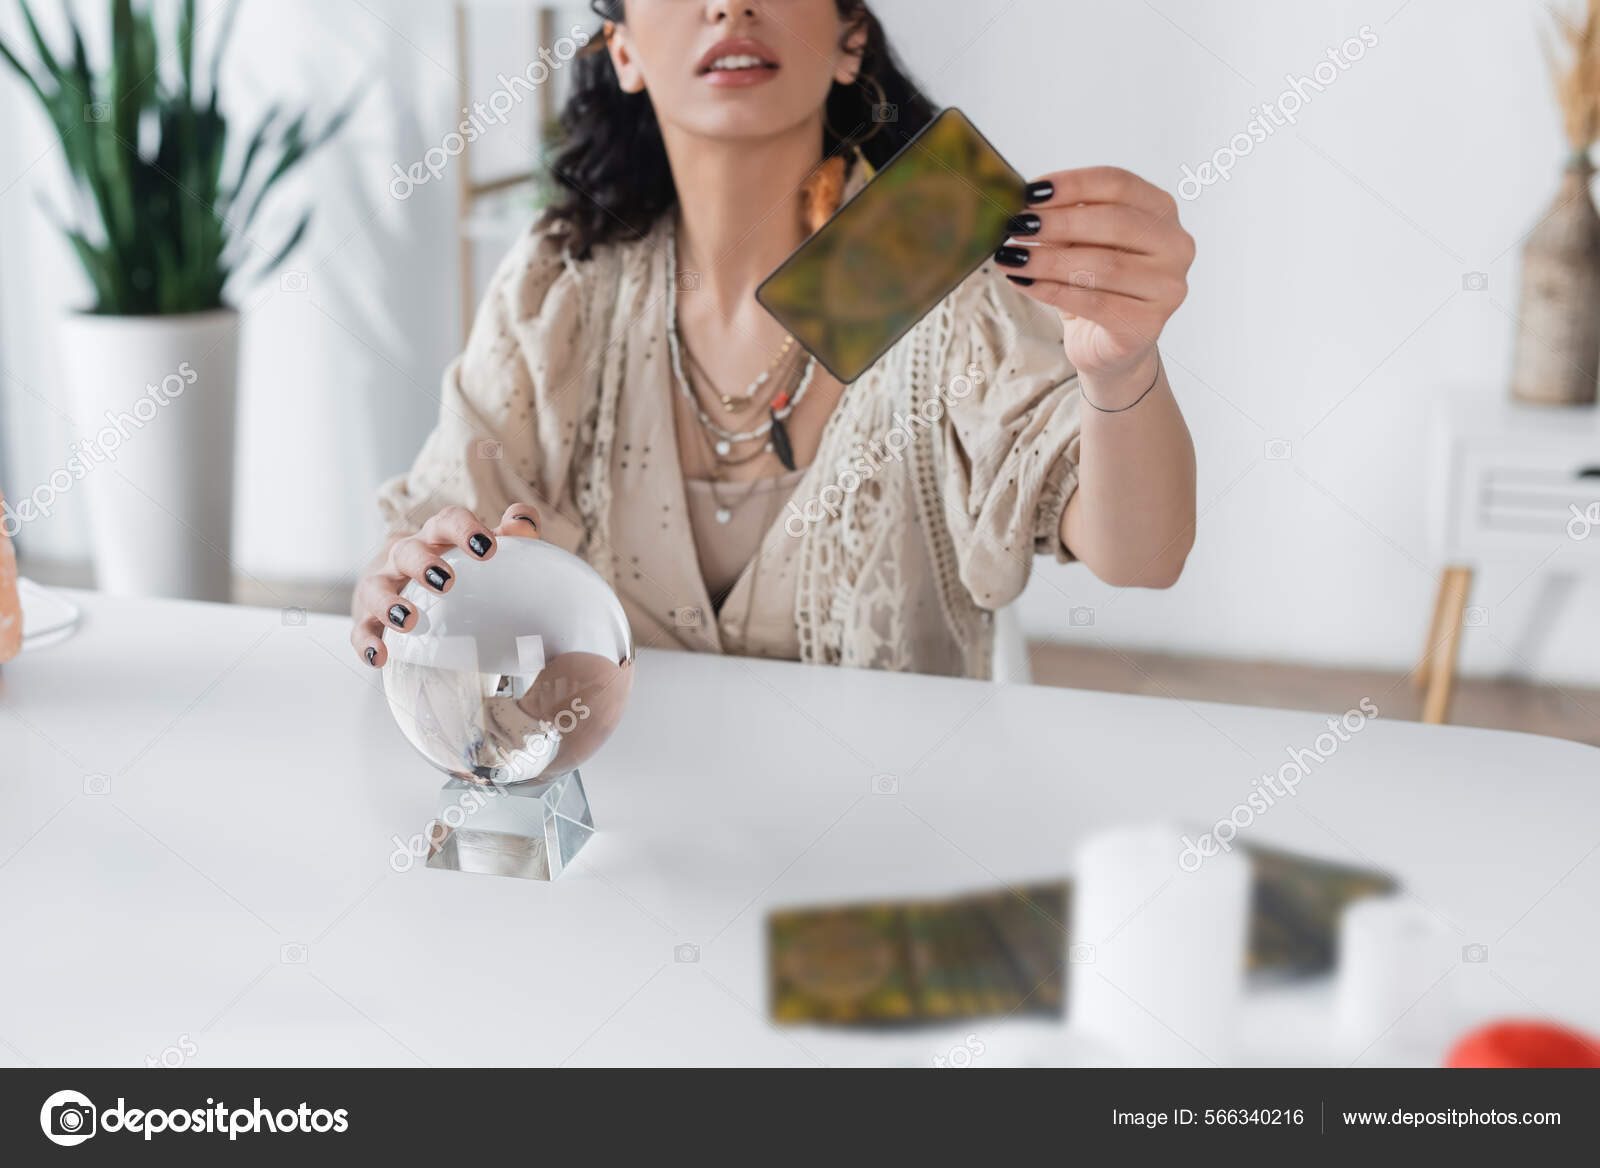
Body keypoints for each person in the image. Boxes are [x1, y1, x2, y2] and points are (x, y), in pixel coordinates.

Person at [354, 0, 1196, 679]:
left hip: (887, 855)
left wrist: (1121, 370)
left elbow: (1142, 555)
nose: (731, 7)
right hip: (630, 845)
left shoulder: (937, 271)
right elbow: (434, 530)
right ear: (624, 51)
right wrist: (403, 577)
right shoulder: (561, 282)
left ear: (849, 39)